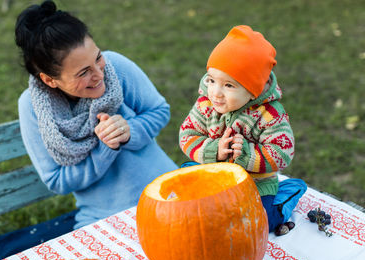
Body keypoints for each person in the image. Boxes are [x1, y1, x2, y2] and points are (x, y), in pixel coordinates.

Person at [16, 0, 178, 229]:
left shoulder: (116, 67)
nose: (99, 74)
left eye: (97, 58)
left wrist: (128, 132)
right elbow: (56, 180)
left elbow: (159, 111)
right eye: (83, 72)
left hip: (167, 191)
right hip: (104, 218)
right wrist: (105, 149)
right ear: (49, 80)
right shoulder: (32, 108)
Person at [179, 25, 306, 234]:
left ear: (254, 91)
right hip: (216, 175)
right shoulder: (206, 104)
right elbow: (188, 135)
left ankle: (286, 197)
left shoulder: (270, 115)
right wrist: (214, 151)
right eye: (211, 80)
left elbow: (283, 153)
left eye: (229, 85)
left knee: (255, 224)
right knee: (184, 192)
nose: (216, 93)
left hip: (255, 185)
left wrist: (246, 155)